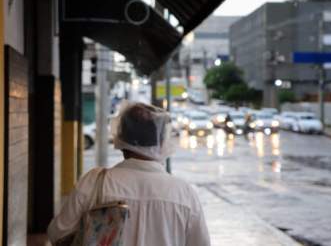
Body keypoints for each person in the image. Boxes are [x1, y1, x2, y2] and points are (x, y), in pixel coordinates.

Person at [47, 102, 210, 246]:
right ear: (161, 141)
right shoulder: (184, 194)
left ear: (121, 139)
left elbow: (57, 233)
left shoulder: (94, 182)